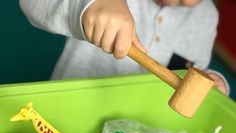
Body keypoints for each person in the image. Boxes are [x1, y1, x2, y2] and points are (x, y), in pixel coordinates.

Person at [19, 0, 229, 94]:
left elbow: (190, 75)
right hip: (66, 113)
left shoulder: (207, 16)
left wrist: (211, 81)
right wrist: (90, 4)